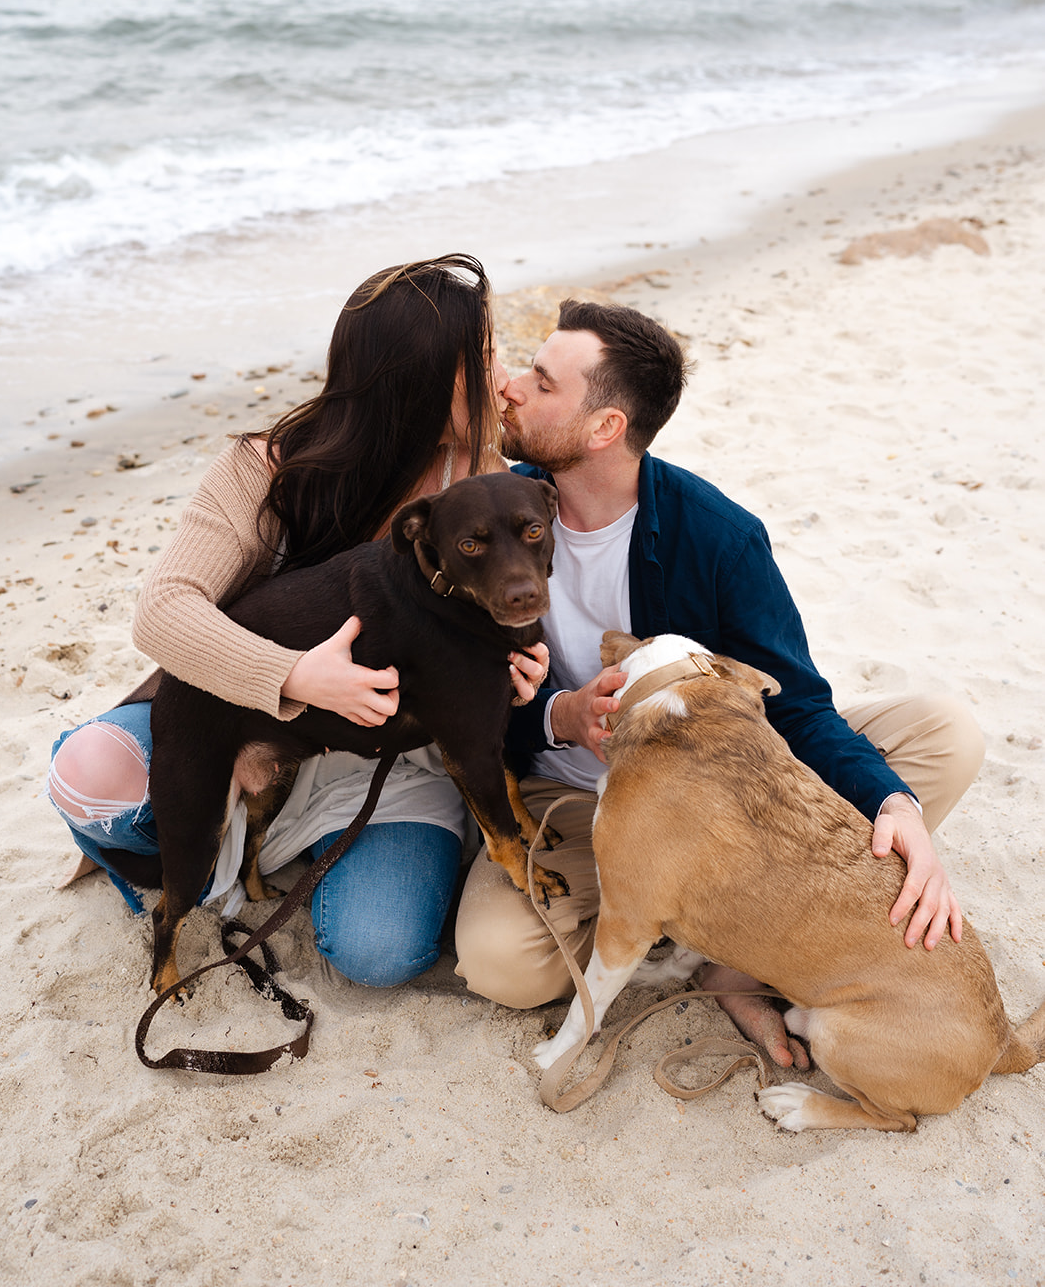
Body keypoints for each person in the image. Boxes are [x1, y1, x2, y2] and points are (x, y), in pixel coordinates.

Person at [454, 299, 984, 1067]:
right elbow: (458, 709)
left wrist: (891, 802)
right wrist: (558, 718)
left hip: (724, 795)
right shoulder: (489, 517)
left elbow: (796, 705)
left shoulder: (717, 535)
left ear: (604, 429)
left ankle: (726, 953)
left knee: (943, 735)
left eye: (540, 382)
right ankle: (689, 918)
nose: (512, 390)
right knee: (501, 965)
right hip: (565, 793)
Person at [47, 254, 548, 988]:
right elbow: (162, 611)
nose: (506, 376)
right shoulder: (267, 468)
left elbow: (534, 577)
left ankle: (298, 848)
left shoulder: (485, 477)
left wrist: (522, 661)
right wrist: (295, 675)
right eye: (488, 356)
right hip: (237, 713)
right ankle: (196, 844)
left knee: (379, 952)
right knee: (92, 776)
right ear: (424, 379)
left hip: (395, 761)